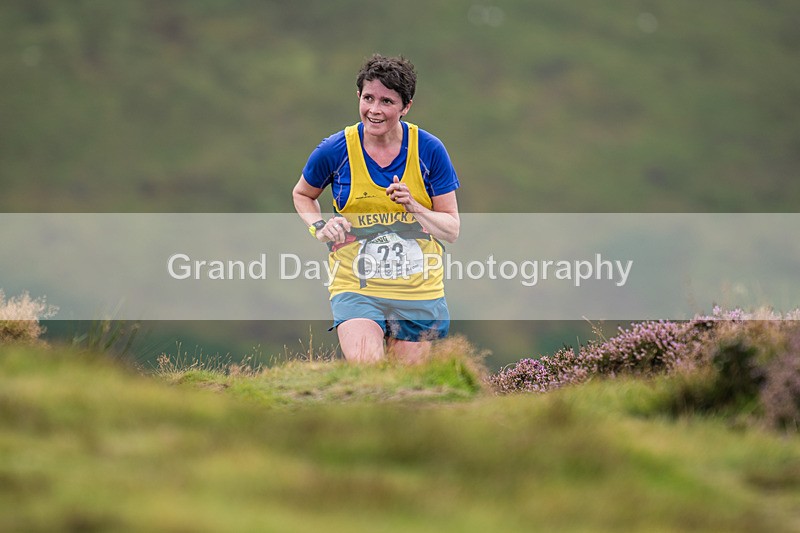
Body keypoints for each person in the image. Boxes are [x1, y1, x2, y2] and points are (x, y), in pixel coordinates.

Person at [292, 54, 460, 364]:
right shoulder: (335, 150)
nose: (375, 110)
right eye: (368, 98)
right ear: (358, 96)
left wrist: (414, 206)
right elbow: (302, 194)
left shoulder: (429, 150)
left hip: (417, 291)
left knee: (404, 388)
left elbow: (451, 230)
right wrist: (319, 226)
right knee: (367, 368)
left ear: (405, 106)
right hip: (356, 286)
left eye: (387, 101)